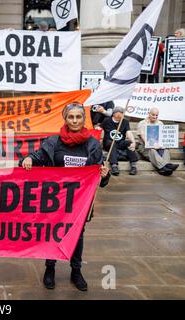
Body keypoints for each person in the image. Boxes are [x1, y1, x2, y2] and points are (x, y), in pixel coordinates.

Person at [20, 103, 110, 292]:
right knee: (53, 233)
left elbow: (101, 174)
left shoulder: (92, 144)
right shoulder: (53, 142)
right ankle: (50, 268)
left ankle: (76, 271)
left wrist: (105, 173)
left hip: (80, 202)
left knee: (77, 236)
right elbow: (36, 157)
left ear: (84, 119)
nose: (75, 120)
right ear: (65, 119)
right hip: (56, 200)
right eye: (71, 117)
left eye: (78, 117)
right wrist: (27, 159)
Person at [136, 107, 179, 176]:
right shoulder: (142, 123)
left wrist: (163, 144)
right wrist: (151, 145)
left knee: (166, 150)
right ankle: (167, 166)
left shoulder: (160, 123)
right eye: (153, 115)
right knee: (152, 150)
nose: (155, 117)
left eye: (156, 115)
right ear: (149, 114)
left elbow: (163, 135)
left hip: (158, 145)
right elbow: (142, 136)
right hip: (145, 146)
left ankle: (164, 169)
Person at [101, 106, 138, 176]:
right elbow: (99, 128)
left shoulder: (125, 122)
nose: (122, 115)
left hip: (120, 142)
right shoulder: (107, 120)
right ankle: (114, 165)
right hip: (109, 142)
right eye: (120, 113)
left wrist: (133, 142)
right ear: (115, 114)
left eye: (122, 113)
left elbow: (128, 132)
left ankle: (133, 165)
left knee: (129, 143)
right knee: (112, 143)